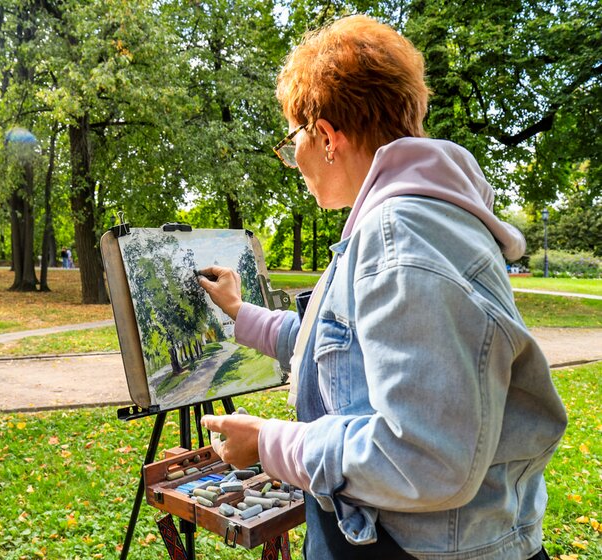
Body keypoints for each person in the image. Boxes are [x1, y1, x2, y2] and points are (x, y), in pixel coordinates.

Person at [198, 15, 566, 560]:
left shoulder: (401, 238)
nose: (291, 158)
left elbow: (424, 457)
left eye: (291, 138)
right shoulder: (405, 224)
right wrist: (240, 311)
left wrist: (269, 443)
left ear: (326, 136)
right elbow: (344, 346)